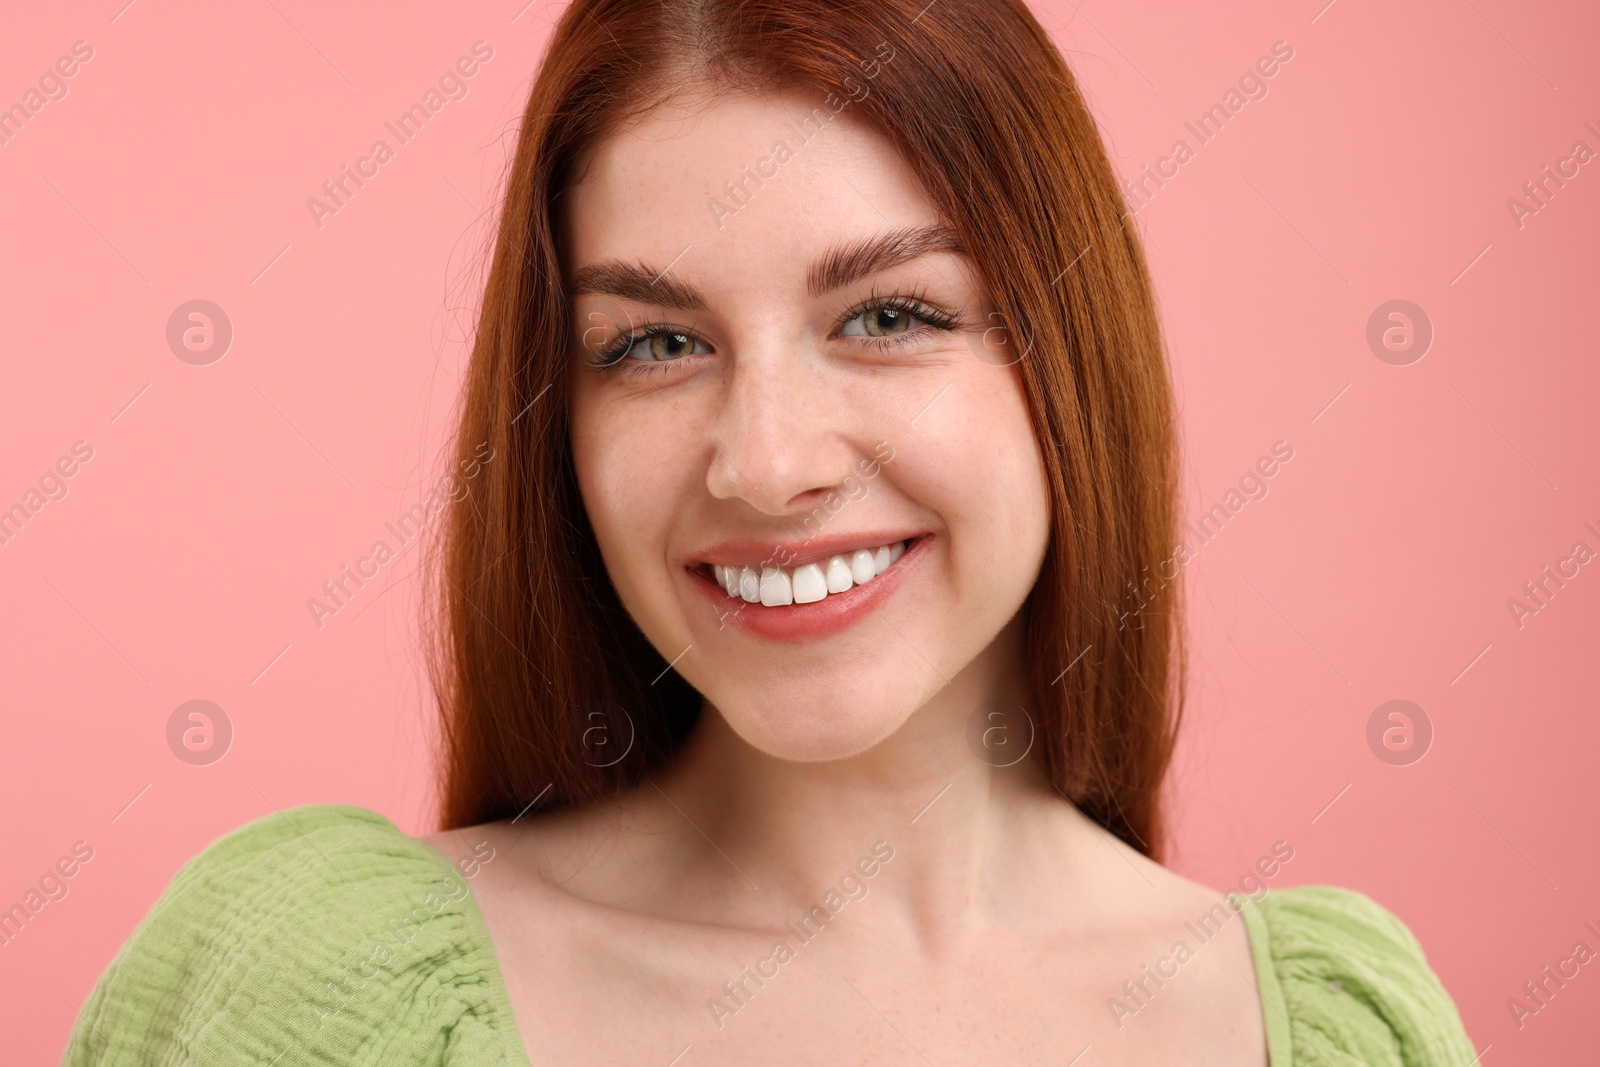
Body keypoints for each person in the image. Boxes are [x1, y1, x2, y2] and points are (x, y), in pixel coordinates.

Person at [62, 0, 1478, 1063]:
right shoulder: (318, 990)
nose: (765, 463)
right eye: (656, 343)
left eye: (888, 317)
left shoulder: (1330, 1032)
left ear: (1067, 356)